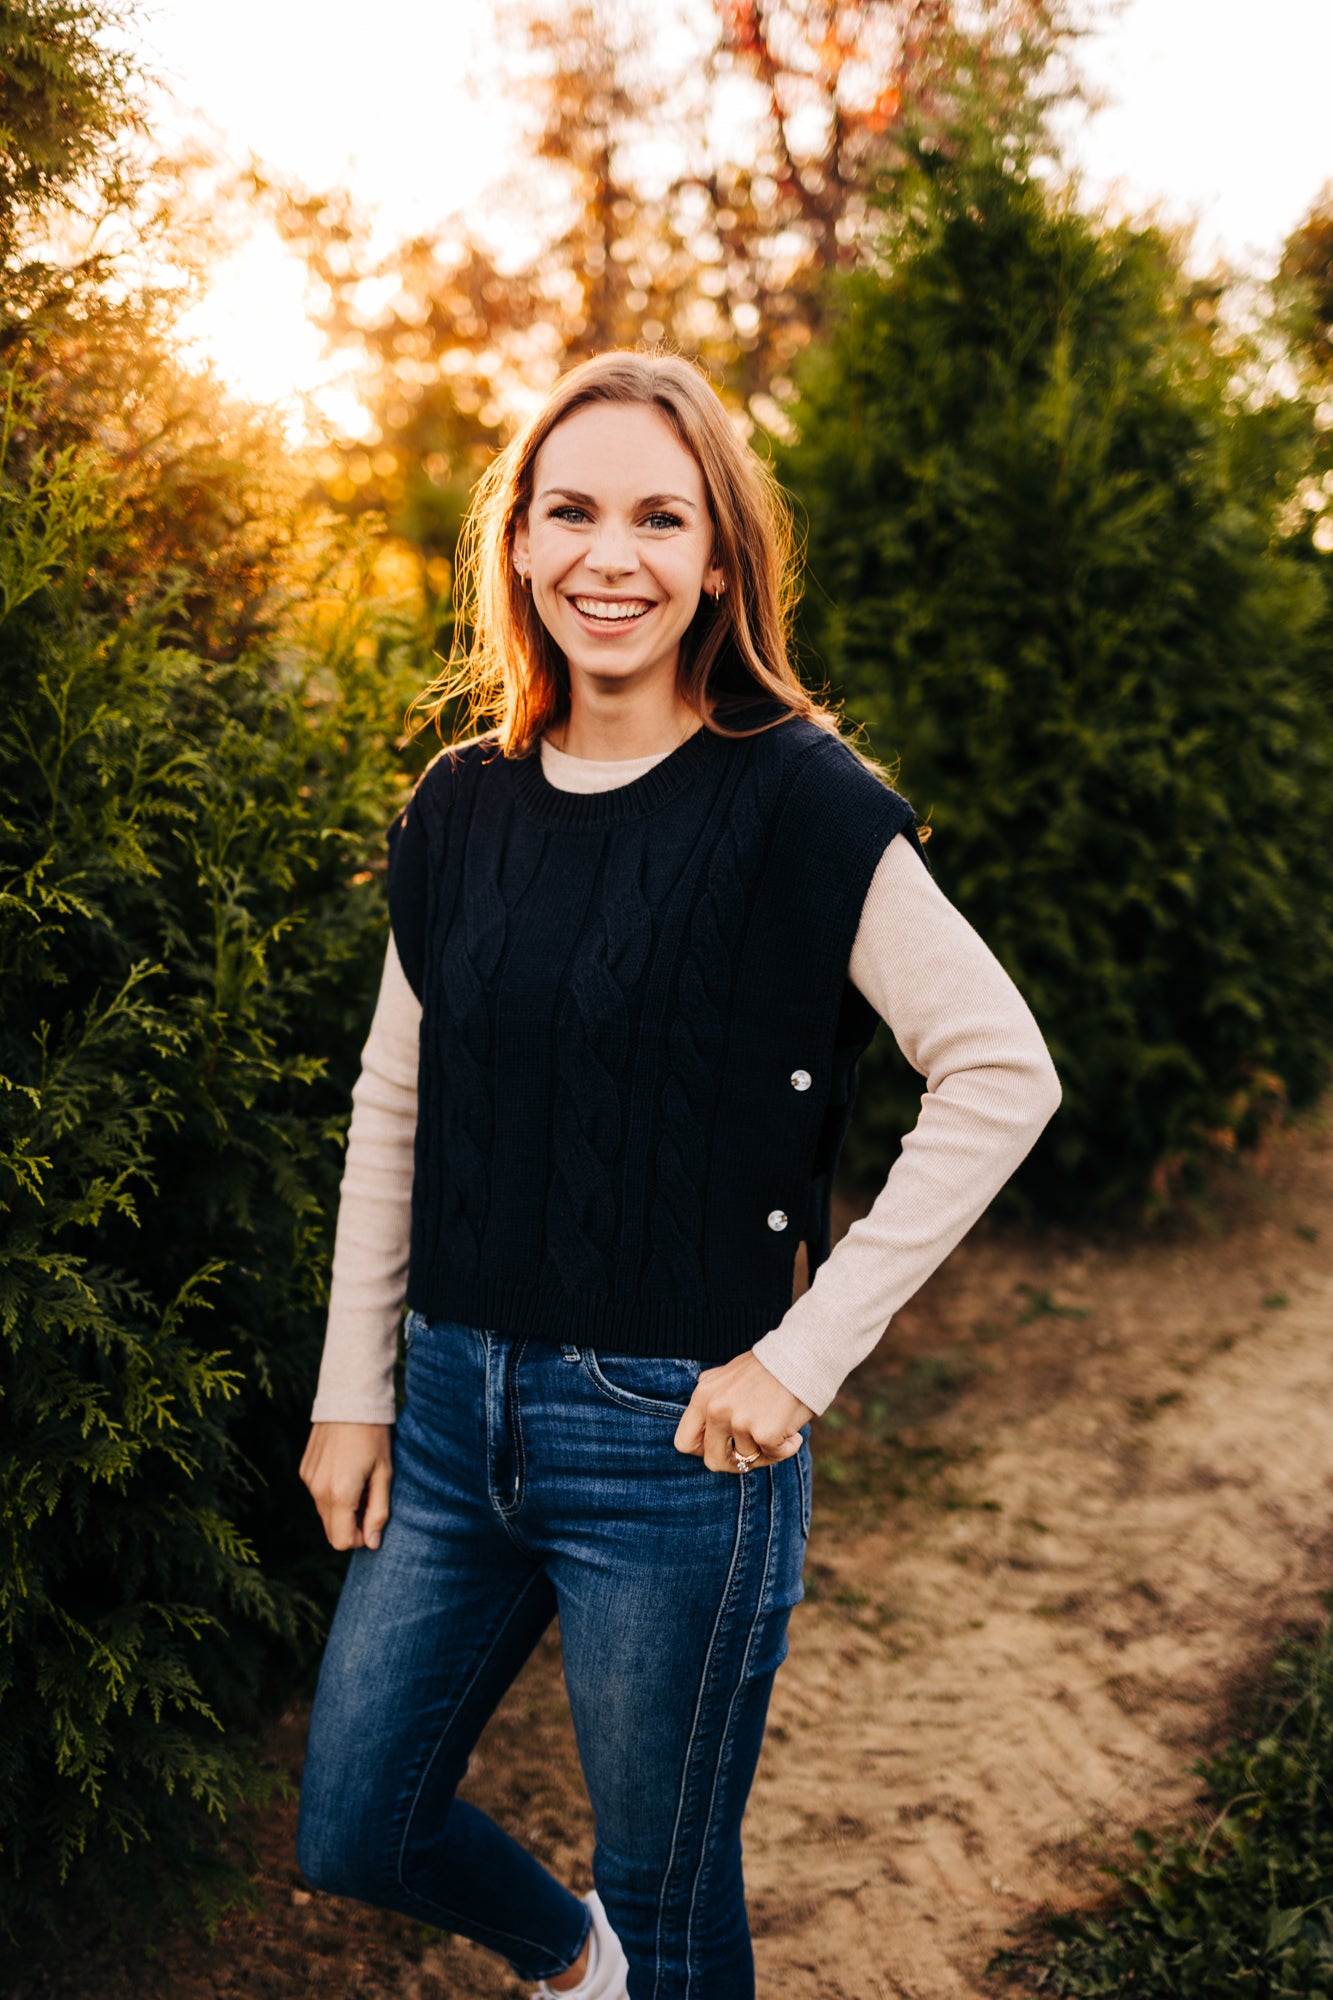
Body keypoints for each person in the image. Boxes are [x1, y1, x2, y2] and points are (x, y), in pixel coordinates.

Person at [294, 349, 1061, 1999]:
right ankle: (580, 1967)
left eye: (660, 516)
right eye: (568, 511)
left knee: (670, 1883)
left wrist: (801, 1357)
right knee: (355, 1823)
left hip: (672, 1450)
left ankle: (632, 1949)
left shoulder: (795, 801)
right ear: (516, 546)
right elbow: (391, 1103)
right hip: (443, 1420)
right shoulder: (462, 805)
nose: (609, 557)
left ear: (719, 557)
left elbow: (1002, 1071)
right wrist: (351, 1392)